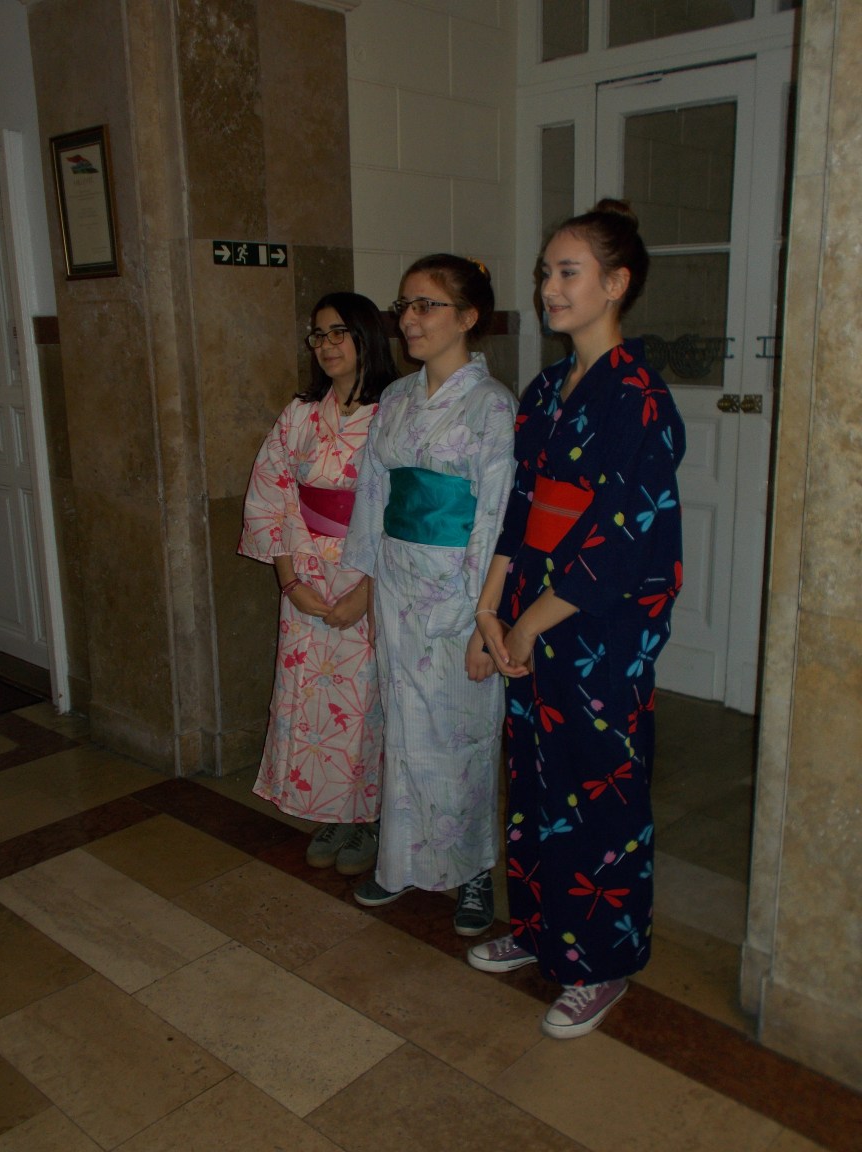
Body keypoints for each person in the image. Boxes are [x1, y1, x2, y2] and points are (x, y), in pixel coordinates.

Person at [467, 200, 685, 1038]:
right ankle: (540, 929)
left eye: (568, 272)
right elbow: (520, 512)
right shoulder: (544, 390)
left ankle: (604, 963)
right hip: (532, 604)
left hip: (599, 627)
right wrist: (491, 610)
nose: (549, 288)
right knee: (535, 780)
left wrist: (531, 624)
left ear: (616, 283)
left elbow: (627, 539)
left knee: (600, 788)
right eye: (545, 273)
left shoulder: (640, 396)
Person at [342, 254, 517, 936]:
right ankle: (400, 860)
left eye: (426, 306)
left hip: (460, 590)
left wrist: (484, 620)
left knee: (462, 733)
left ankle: (474, 871)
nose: (409, 320)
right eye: (404, 306)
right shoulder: (395, 399)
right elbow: (373, 494)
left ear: (468, 317)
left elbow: (496, 516)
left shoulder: (491, 405)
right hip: (397, 581)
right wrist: (365, 580)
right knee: (405, 729)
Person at [239, 292, 397, 875]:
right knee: (314, 703)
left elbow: (405, 508)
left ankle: (372, 817)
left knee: (367, 702)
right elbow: (272, 495)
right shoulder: (300, 414)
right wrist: (290, 581)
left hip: (371, 573)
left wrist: (367, 592)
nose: (327, 346)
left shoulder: (395, 412)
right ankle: (333, 810)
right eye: (318, 335)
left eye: (339, 333)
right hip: (306, 570)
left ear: (366, 336)